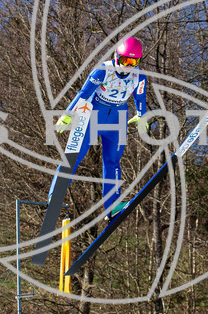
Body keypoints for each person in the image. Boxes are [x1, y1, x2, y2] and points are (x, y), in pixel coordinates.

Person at [47, 36, 149, 220]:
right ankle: (56, 193)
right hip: (94, 114)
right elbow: (84, 93)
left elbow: (140, 98)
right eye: (126, 60)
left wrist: (142, 115)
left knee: (112, 162)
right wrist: (68, 114)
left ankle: (112, 207)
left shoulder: (139, 75)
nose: (128, 66)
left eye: (134, 62)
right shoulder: (103, 70)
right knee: (74, 154)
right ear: (117, 57)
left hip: (118, 119)